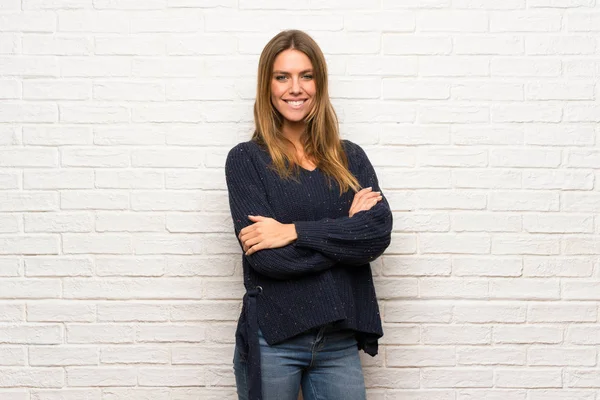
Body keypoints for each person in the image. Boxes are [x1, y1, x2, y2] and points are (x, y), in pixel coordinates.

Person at [225, 29, 393, 400]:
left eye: (306, 76)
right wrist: (346, 233)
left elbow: (376, 234)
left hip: (338, 338)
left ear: (319, 82)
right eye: (282, 77)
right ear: (267, 86)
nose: (295, 88)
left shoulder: (350, 158)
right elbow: (268, 259)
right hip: (274, 336)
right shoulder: (246, 160)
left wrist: (292, 231)